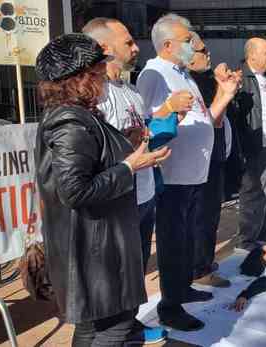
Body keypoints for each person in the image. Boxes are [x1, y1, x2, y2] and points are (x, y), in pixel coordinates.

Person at [35, 33, 171, 345]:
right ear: (80, 78)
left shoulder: (77, 115)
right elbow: (75, 191)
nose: (105, 79)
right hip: (94, 251)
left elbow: (91, 156)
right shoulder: (69, 121)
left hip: (93, 245)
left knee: (93, 328)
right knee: (114, 328)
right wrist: (130, 167)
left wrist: (128, 140)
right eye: (98, 72)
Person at [137, 13, 238, 331]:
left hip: (194, 172)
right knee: (172, 241)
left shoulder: (182, 73)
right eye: (187, 40)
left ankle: (181, 289)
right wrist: (168, 112)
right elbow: (149, 124)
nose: (193, 44)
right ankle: (170, 305)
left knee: (186, 238)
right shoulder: (154, 75)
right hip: (174, 173)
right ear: (167, 45)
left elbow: (204, 118)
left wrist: (223, 95)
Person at [83, 17, 171, 343]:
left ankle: (131, 324)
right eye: (128, 42)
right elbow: (92, 151)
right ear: (105, 47)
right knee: (113, 277)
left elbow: (140, 132)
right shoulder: (92, 95)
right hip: (115, 198)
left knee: (134, 270)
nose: (135, 47)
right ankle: (113, 332)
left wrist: (151, 131)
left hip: (144, 191)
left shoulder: (131, 89)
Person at [186, 31, 235, 288]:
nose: (209, 55)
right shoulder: (190, 82)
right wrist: (223, 90)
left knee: (211, 215)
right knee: (202, 217)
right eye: (203, 51)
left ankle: (203, 262)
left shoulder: (202, 81)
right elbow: (213, 119)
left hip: (213, 156)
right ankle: (199, 269)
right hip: (198, 161)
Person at [230, 38, 266, 251]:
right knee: (255, 194)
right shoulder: (243, 79)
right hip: (257, 145)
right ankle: (248, 240)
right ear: (252, 54)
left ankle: (264, 232)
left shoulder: (265, 79)